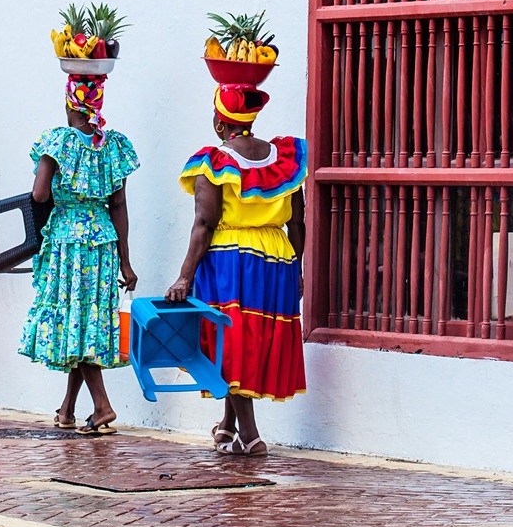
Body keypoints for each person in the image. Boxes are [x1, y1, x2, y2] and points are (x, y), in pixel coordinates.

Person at [165, 82, 307, 456]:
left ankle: (250, 434)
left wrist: (185, 275)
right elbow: (299, 221)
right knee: (251, 339)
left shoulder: (212, 161)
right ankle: (228, 426)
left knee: (231, 343)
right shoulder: (286, 157)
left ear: (219, 122)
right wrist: (298, 268)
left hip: (231, 257)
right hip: (277, 256)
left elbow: (205, 222)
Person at [18, 74, 139, 435]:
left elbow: (39, 195)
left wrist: (61, 190)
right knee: (86, 322)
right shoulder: (113, 146)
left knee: (76, 321)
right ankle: (68, 409)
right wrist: (126, 261)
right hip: (102, 241)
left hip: (68, 241)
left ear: (70, 102)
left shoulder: (59, 142)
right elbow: (118, 205)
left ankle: (102, 406)